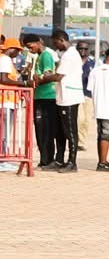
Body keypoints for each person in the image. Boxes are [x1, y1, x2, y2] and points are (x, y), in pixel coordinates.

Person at [25, 32, 61, 170]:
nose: (30, 49)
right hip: (39, 97)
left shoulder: (46, 56)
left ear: (38, 42)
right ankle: (44, 159)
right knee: (40, 130)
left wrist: (36, 78)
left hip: (47, 97)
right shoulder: (38, 56)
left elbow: (48, 75)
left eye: (30, 46)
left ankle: (48, 160)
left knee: (46, 130)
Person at [55, 30, 84, 169]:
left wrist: (41, 78)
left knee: (70, 130)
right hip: (64, 97)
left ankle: (72, 162)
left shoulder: (69, 55)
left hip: (70, 98)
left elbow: (58, 76)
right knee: (61, 130)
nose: (56, 46)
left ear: (61, 40)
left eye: (56, 43)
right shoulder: (69, 54)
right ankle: (59, 160)